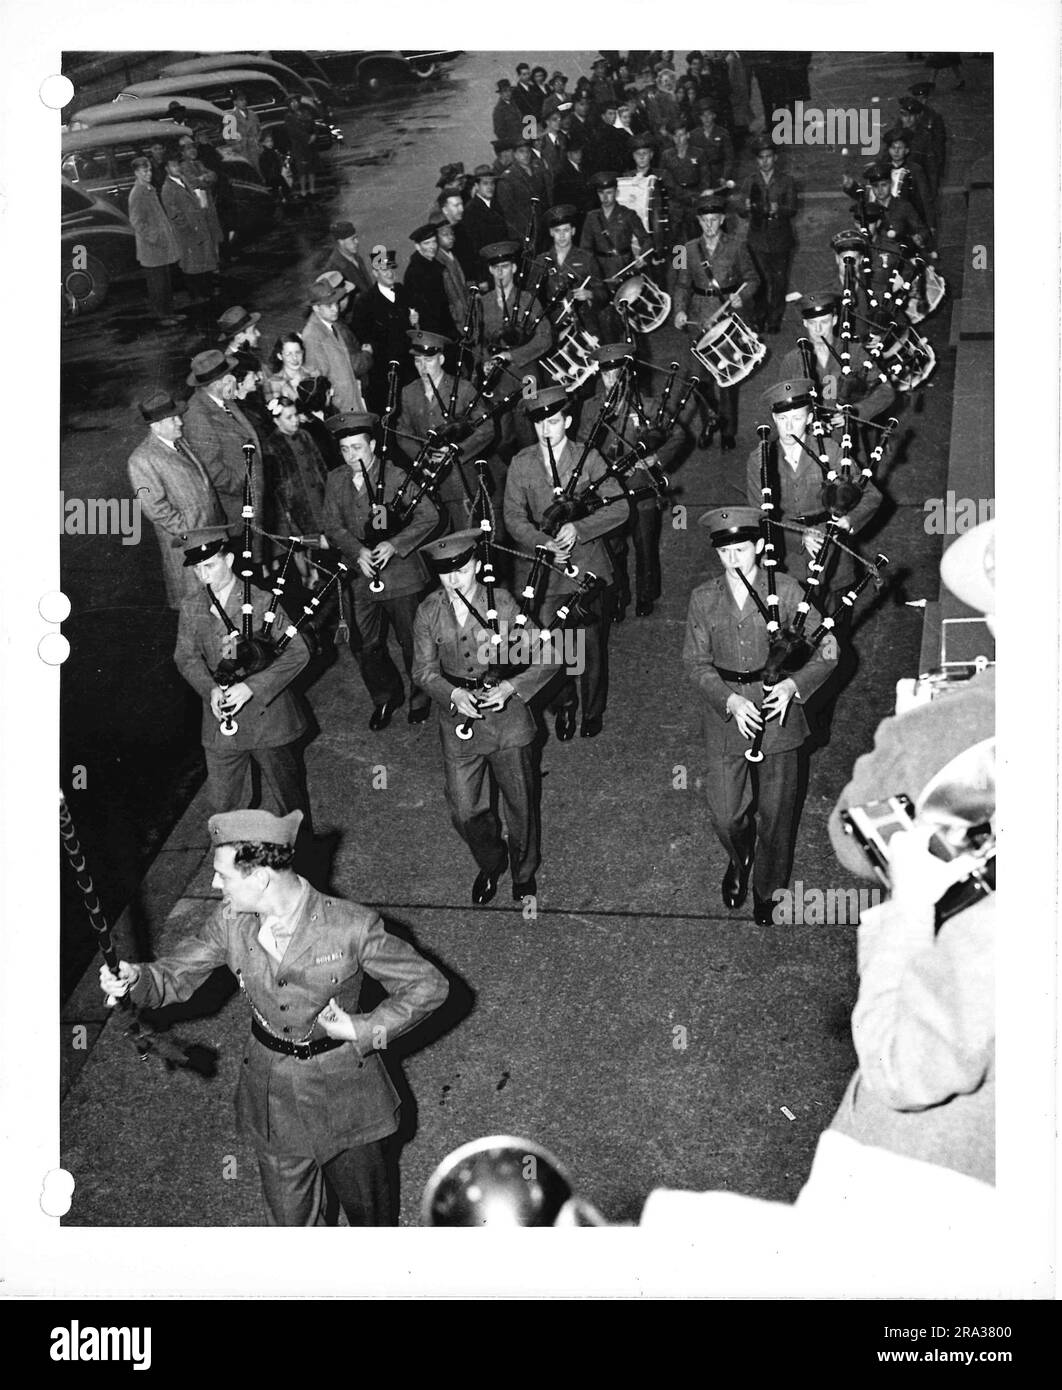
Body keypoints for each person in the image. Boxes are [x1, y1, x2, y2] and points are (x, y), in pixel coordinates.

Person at [99, 806, 449, 1226]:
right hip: (274, 1093)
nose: (214, 883)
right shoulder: (230, 922)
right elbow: (175, 973)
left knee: (370, 1220)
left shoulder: (351, 926)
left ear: (260, 878)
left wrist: (363, 1028)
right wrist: (137, 979)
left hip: (347, 1094)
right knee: (291, 1229)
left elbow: (428, 985)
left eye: (223, 875)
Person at [682, 506, 837, 924]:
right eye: (724, 550)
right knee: (726, 814)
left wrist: (793, 686)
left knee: (777, 811)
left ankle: (769, 888)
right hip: (728, 712)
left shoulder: (787, 592)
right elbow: (695, 663)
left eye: (740, 548)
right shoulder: (704, 597)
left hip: (778, 714)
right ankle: (739, 855)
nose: (732, 559)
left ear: (761, 547)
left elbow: (830, 649)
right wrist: (729, 701)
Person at [413, 531, 555, 904]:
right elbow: (423, 671)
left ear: (477, 565)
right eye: (445, 573)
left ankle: (524, 871)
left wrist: (513, 687)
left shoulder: (504, 605)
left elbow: (552, 654)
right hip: (458, 718)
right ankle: (492, 861)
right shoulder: (429, 610)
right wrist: (453, 694)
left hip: (507, 720)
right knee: (463, 809)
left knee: (520, 803)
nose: (454, 579)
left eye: (460, 569)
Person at [503, 385, 629, 739]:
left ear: (568, 421)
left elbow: (620, 506)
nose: (546, 430)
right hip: (544, 571)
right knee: (550, 644)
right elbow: (513, 517)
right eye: (540, 424)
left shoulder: (587, 458)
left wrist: (581, 527)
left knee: (588, 645)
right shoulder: (521, 462)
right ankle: (566, 705)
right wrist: (543, 542)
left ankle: (591, 710)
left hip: (587, 567)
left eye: (554, 422)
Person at [172, 528, 312, 818]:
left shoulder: (260, 601)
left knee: (290, 806)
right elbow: (185, 656)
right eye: (197, 568)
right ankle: (233, 861)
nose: (203, 575)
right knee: (224, 808)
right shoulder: (192, 606)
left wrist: (252, 688)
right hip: (221, 722)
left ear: (230, 560)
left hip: (268, 720)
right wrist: (208, 688)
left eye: (209, 565)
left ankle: (303, 861)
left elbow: (299, 651)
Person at [321, 411, 438, 729]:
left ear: (372, 444)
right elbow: (331, 524)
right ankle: (385, 697)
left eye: (357, 447)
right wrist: (357, 551)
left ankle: (420, 696)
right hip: (360, 574)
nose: (351, 456)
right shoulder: (335, 479)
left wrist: (395, 544)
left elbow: (429, 516)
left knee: (410, 640)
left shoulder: (396, 476)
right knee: (364, 643)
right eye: (345, 449)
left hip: (400, 573)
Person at [746, 378, 883, 611]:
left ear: (809, 419)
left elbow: (871, 495)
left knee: (835, 634)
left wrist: (848, 520)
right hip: (786, 562)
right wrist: (800, 536)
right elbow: (758, 517)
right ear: (773, 419)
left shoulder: (830, 451)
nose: (789, 428)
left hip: (834, 557)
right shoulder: (760, 460)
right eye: (782, 419)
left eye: (796, 418)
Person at [581, 342, 686, 620]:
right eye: (606, 375)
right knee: (613, 547)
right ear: (599, 376)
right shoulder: (590, 408)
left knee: (645, 544)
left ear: (628, 376)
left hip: (641, 487)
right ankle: (619, 597)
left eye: (618, 374)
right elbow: (581, 447)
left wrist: (656, 459)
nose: (612, 381)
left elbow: (677, 436)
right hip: (608, 490)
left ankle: (645, 596)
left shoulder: (649, 406)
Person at [673, 191, 760, 450]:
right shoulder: (685, 249)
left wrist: (741, 297)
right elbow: (680, 284)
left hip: (728, 319)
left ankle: (729, 431)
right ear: (698, 222)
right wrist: (678, 310)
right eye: (704, 220)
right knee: (699, 378)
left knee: (727, 376)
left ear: (722, 219)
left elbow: (753, 278)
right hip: (699, 317)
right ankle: (710, 420)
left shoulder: (737, 245)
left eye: (714, 219)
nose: (709, 225)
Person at [127, 393, 225, 608]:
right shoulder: (142, 459)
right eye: (173, 419)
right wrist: (191, 533)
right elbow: (156, 509)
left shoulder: (180, 443)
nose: (180, 422)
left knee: (220, 602)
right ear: (156, 425)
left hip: (211, 536)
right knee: (197, 607)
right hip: (187, 547)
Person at [396, 330, 494, 535]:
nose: (422, 367)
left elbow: (486, 428)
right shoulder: (409, 392)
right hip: (428, 477)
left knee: (469, 532)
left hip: (461, 476)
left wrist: (457, 451)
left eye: (428, 360)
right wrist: (422, 458)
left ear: (441, 359)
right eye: (417, 361)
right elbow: (402, 433)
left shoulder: (463, 389)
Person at [779, 290, 896, 421]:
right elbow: (783, 402)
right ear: (805, 323)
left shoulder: (854, 352)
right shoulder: (792, 360)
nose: (818, 329)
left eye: (824, 322)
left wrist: (855, 412)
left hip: (848, 432)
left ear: (834, 320)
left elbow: (885, 391)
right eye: (812, 323)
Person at [182, 350, 265, 533]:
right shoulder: (197, 416)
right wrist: (247, 484)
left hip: (253, 502)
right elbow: (214, 472)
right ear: (216, 383)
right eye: (229, 376)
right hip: (237, 513)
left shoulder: (224, 399)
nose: (234, 379)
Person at [738, 137, 798, 334]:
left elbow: (792, 209)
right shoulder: (750, 181)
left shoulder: (786, 181)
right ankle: (759, 317)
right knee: (760, 282)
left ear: (775, 158)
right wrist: (745, 209)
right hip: (757, 239)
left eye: (768, 157)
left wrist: (778, 209)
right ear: (756, 160)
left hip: (781, 239)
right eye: (761, 158)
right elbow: (740, 208)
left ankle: (774, 319)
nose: (765, 161)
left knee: (779, 282)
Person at [349, 246, 418, 414]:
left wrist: (414, 323)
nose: (389, 273)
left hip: (409, 366)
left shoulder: (403, 291)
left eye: (391, 268)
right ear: (374, 273)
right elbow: (361, 337)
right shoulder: (365, 302)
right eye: (383, 269)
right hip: (385, 372)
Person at [534, 204, 607, 343]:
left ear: (573, 231)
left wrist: (590, 294)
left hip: (585, 322)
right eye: (557, 231)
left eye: (566, 230)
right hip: (554, 323)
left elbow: (603, 293)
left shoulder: (586, 258)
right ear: (551, 232)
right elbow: (532, 296)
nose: (562, 236)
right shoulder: (541, 260)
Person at [160, 147, 218, 314]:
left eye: (178, 165)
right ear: (167, 169)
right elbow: (174, 215)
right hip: (189, 234)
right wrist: (189, 231)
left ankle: (207, 294)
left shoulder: (183, 180)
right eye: (173, 166)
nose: (177, 168)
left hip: (199, 227)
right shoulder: (167, 189)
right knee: (192, 266)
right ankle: (198, 297)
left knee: (204, 263)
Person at [301, 279, 370, 414]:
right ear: (316, 308)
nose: (335, 309)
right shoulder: (312, 336)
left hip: (352, 399)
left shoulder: (331, 324)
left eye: (336, 303)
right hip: (340, 408)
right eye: (329, 305)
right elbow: (318, 382)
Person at [403, 223, 457, 340]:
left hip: (446, 323)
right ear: (417, 247)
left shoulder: (435, 264)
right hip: (434, 330)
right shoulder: (414, 273)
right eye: (427, 243)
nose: (432, 246)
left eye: (434, 242)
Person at [658, 120, 707, 242]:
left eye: (682, 134)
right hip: (675, 200)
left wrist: (702, 195)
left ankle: (700, 260)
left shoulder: (699, 153)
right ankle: (679, 261)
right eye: (676, 135)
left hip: (695, 197)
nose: (679, 139)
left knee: (697, 233)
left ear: (688, 135)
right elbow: (664, 179)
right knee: (677, 237)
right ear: (671, 137)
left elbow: (705, 177)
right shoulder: (666, 155)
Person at [495, 139, 550, 243]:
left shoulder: (537, 170)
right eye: (521, 151)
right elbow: (507, 211)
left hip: (541, 226)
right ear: (515, 154)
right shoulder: (508, 177)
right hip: (523, 231)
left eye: (528, 151)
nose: (526, 155)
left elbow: (544, 198)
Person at [461, 165, 509, 273]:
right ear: (477, 186)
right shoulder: (471, 210)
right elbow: (473, 246)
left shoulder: (496, 205)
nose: (490, 187)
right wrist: (481, 276)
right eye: (485, 183)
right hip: (486, 266)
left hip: (501, 260)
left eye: (492, 183)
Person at [322, 220, 374, 300]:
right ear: (340, 242)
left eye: (356, 237)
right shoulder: (333, 269)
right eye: (352, 239)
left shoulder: (357, 258)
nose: (357, 242)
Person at [688, 99, 734, 190]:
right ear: (699, 117)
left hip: (718, 173)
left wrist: (725, 176)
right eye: (703, 115)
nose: (706, 118)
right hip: (700, 175)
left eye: (709, 114)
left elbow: (729, 158)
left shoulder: (722, 133)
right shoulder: (693, 134)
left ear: (714, 115)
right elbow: (691, 157)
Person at [283, 95, 319, 200]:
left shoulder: (306, 113)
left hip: (310, 145)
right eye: (292, 102)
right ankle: (303, 191)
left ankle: (312, 189)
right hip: (299, 146)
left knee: (311, 168)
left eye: (296, 101)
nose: (294, 104)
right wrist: (307, 138)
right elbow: (293, 131)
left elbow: (314, 125)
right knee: (302, 170)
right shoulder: (288, 116)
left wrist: (314, 135)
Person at [228, 88, 262, 173]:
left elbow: (259, 130)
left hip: (256, 150)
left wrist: (257, 141)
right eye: (240, 100)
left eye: (244, 100)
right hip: (243, 152)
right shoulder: (231, 117)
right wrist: (239, 147)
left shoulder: (253, 114)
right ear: (235, 102)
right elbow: (229, 138)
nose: (244, 102)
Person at [493, 79, 526, 147]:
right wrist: (511, 144)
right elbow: (499, 132)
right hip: (513, 144)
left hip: (523, 139)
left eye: (509, 90)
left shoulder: (514, 103)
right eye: (505, 91)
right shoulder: (499, 110)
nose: (508, 93)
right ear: (500, 93)